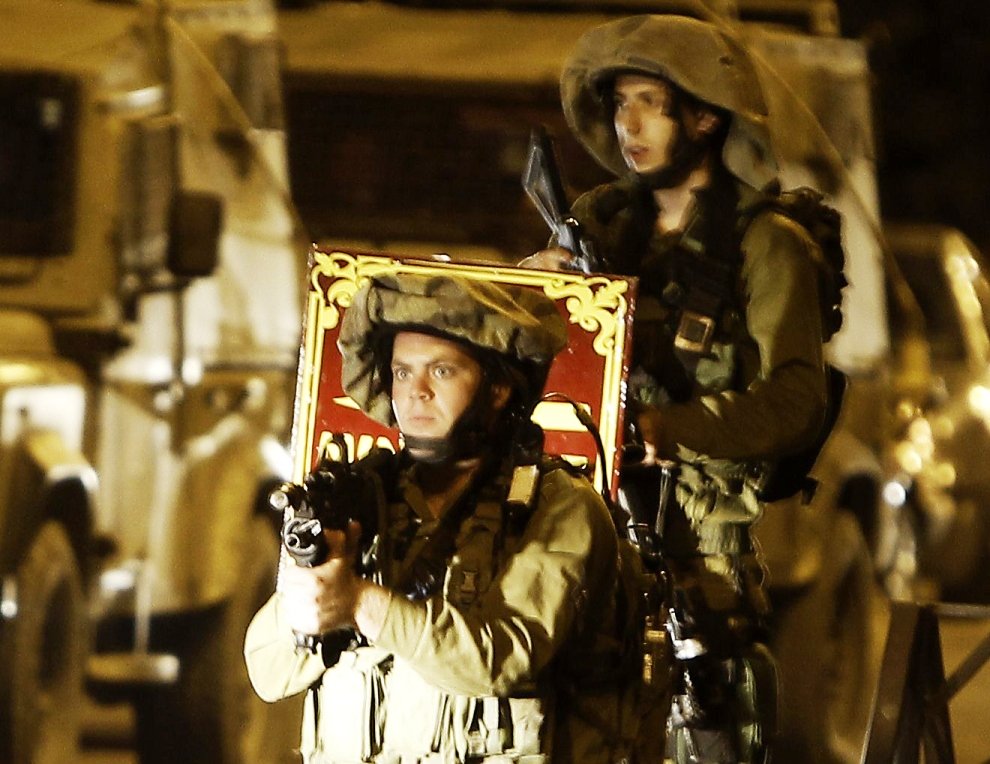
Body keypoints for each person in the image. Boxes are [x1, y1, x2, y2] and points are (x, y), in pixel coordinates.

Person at [520, 14, 833, 763]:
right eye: (619, 102)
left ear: (703, 117)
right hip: (582, 528)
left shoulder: (766, 245)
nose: (627, 123)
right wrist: (533, 291)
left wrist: (674, 428)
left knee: (707, 725)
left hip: (699, 548)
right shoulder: (598, 221)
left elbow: (797, 398)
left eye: (649, 104)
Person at [244, 273, 659, 763]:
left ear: (499, 388)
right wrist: (307, 605)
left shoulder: (558, 506)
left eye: (440, 372)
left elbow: (501, 657)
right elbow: (268, 674)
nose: (415, 391)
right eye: (401, 372)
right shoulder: (364, 502)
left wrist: (359, 602)